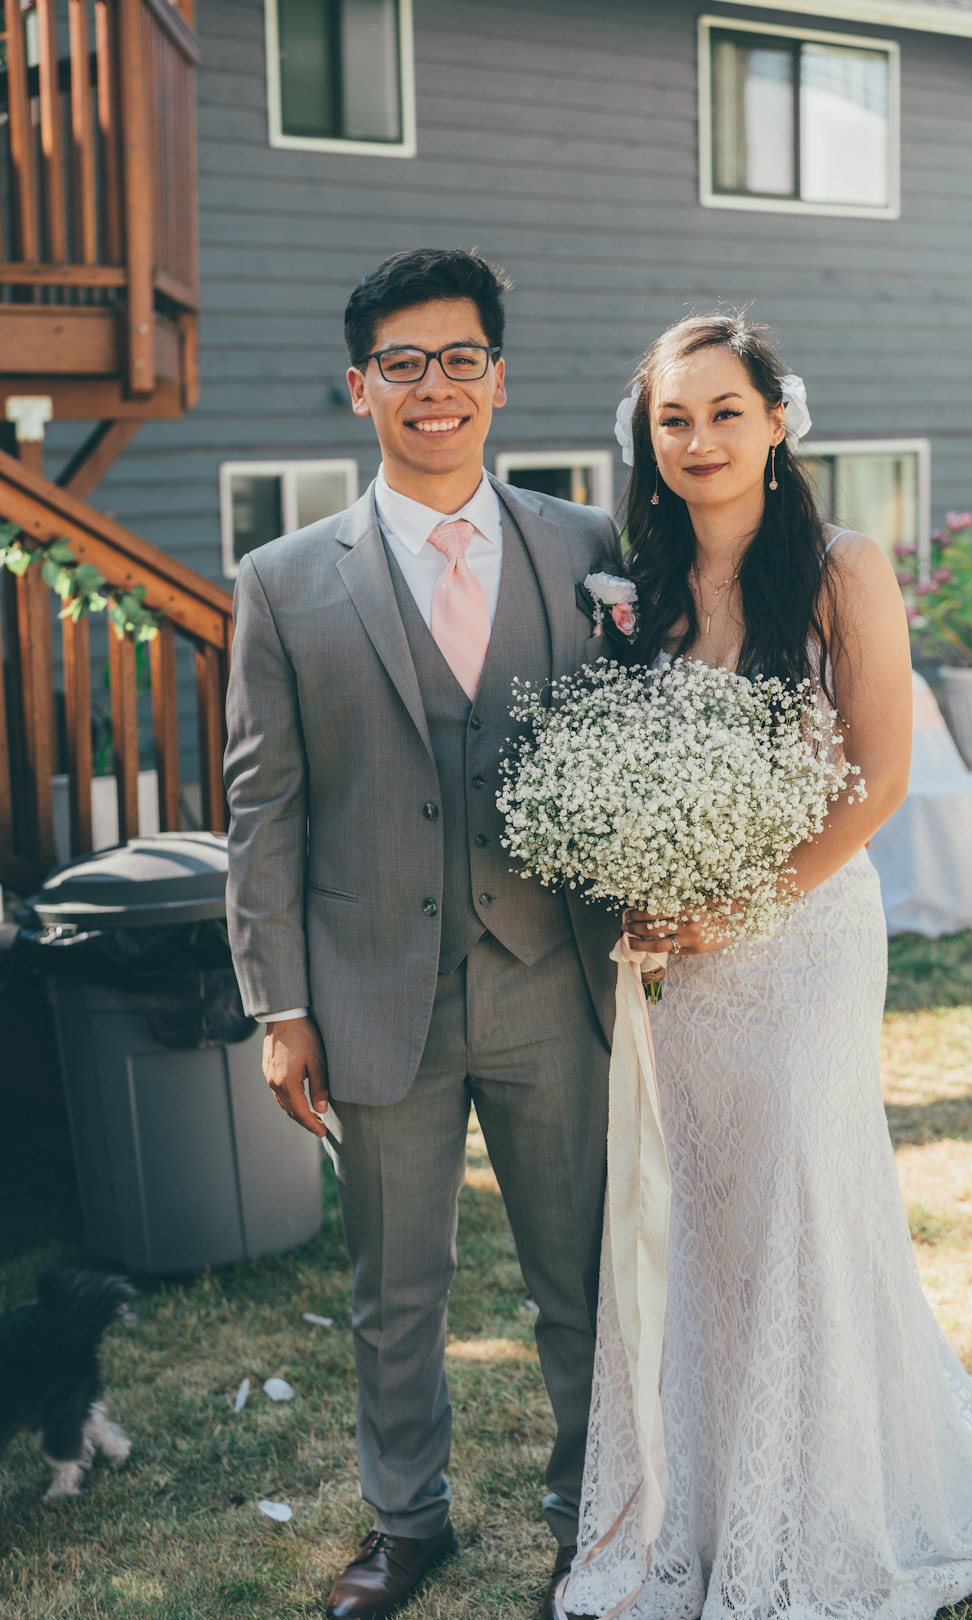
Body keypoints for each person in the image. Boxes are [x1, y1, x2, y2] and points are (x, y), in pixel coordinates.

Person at [560, 311, 972, 1620]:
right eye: (672, 419)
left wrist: (736, 904)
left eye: (724, 412)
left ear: (777, 418)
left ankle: (829, 1488)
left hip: (800, 940)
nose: (697, 440)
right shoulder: (638, 576)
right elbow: (632, 757)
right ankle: (713, 1477)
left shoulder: (844, 567)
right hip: (673, 948)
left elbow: (882, 779)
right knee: (701, 1210)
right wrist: (639, 866)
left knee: (799, 1188)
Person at [224, 247, 621, 1620]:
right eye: (403, 364)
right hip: (369, 995)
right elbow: (262, 809)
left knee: (580, 1273)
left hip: (551, 981)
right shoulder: (282, 580)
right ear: (360, 390)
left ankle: (596, 1507)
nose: (435, 387)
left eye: (460, 359)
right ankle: (408, 1524)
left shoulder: (585, 548)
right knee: (398, 1290)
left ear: (498, 378)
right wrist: (280, 1006)